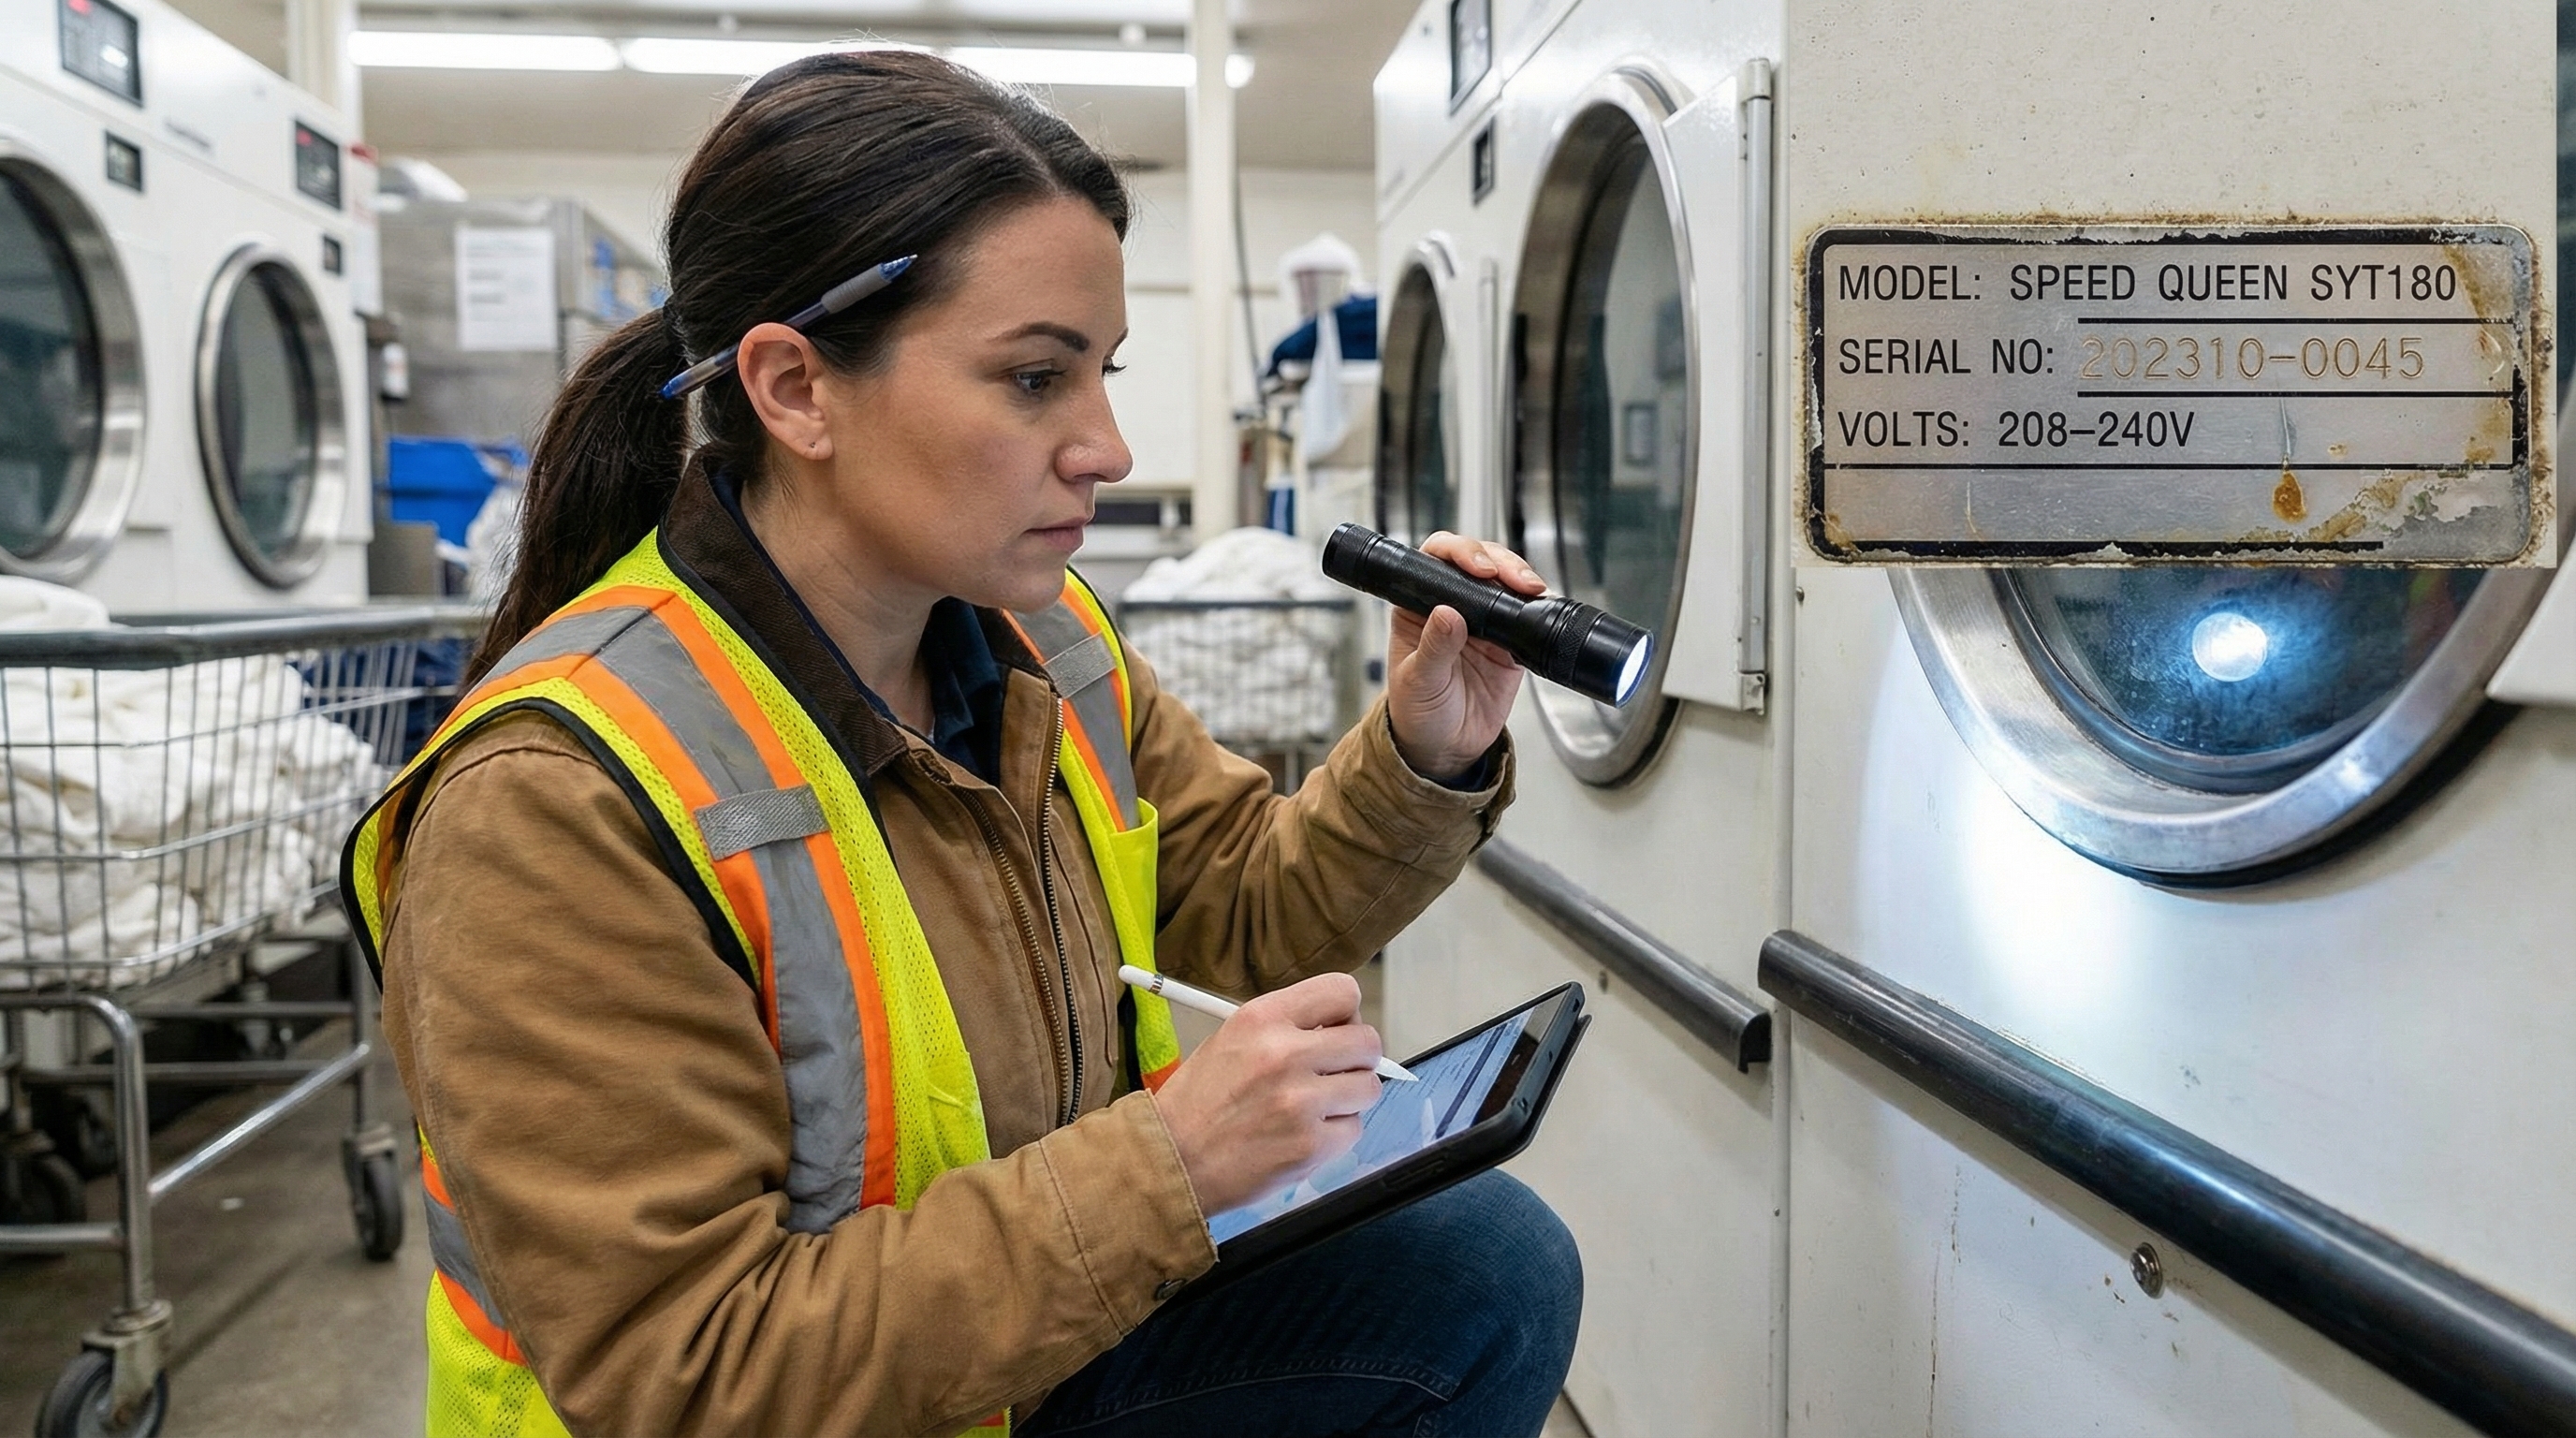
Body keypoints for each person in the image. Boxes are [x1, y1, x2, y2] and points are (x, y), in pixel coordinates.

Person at [346, 50, 1580, 1438]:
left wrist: (1426, 745)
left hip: (990, 1349)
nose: (1107, 447)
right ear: (796, 389)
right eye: (1036, 378)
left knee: (1481, 1268)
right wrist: (1164, 1169)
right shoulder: (561, 798)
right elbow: (688, 1371)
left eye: (1101, 374)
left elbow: (1238, 908)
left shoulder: (1037, 645)